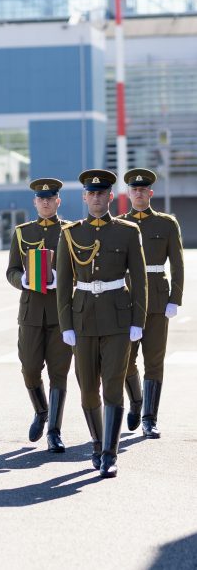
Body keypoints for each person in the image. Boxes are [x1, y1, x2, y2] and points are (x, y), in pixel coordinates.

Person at [56, 169, 147, 478]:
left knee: (111, 386)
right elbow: (65, 283)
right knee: (87, 392)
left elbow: (140, 279)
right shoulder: (70, 234)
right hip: (82, 321)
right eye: (91, 194)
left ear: (111, 196)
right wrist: (65, 324)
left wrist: (138, 319)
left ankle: (109, 453)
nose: (96, 198)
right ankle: (97, 443)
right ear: (84, 197)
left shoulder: (127, 231)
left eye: (101, 193)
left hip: (118, 319)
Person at [4, 179, 73, 452]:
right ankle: (41, 411)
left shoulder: (69, 231)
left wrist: (62, 279)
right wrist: (24, 280)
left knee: (59, 373)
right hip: (31, 312)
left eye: (50, 197)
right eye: (40, 198)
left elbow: (80, 268)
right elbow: (10, 270)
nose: (45, 201)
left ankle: (54, 431)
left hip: (61, 313)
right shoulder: (22, 232)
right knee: (30, 368)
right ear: (35, 202)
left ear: (58, 201)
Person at [118, 168, 184, 438]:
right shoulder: (120, 224)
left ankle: (149, 418)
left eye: (143, 190)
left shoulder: (166, 223)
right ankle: (136, 402)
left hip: (157, 298)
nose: (139, 193)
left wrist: (175, 299)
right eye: (134, 190)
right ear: (129, 194)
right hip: (128, 300)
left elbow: (178, 264)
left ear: (150, 193)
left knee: (154, 361)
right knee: (124, 360)